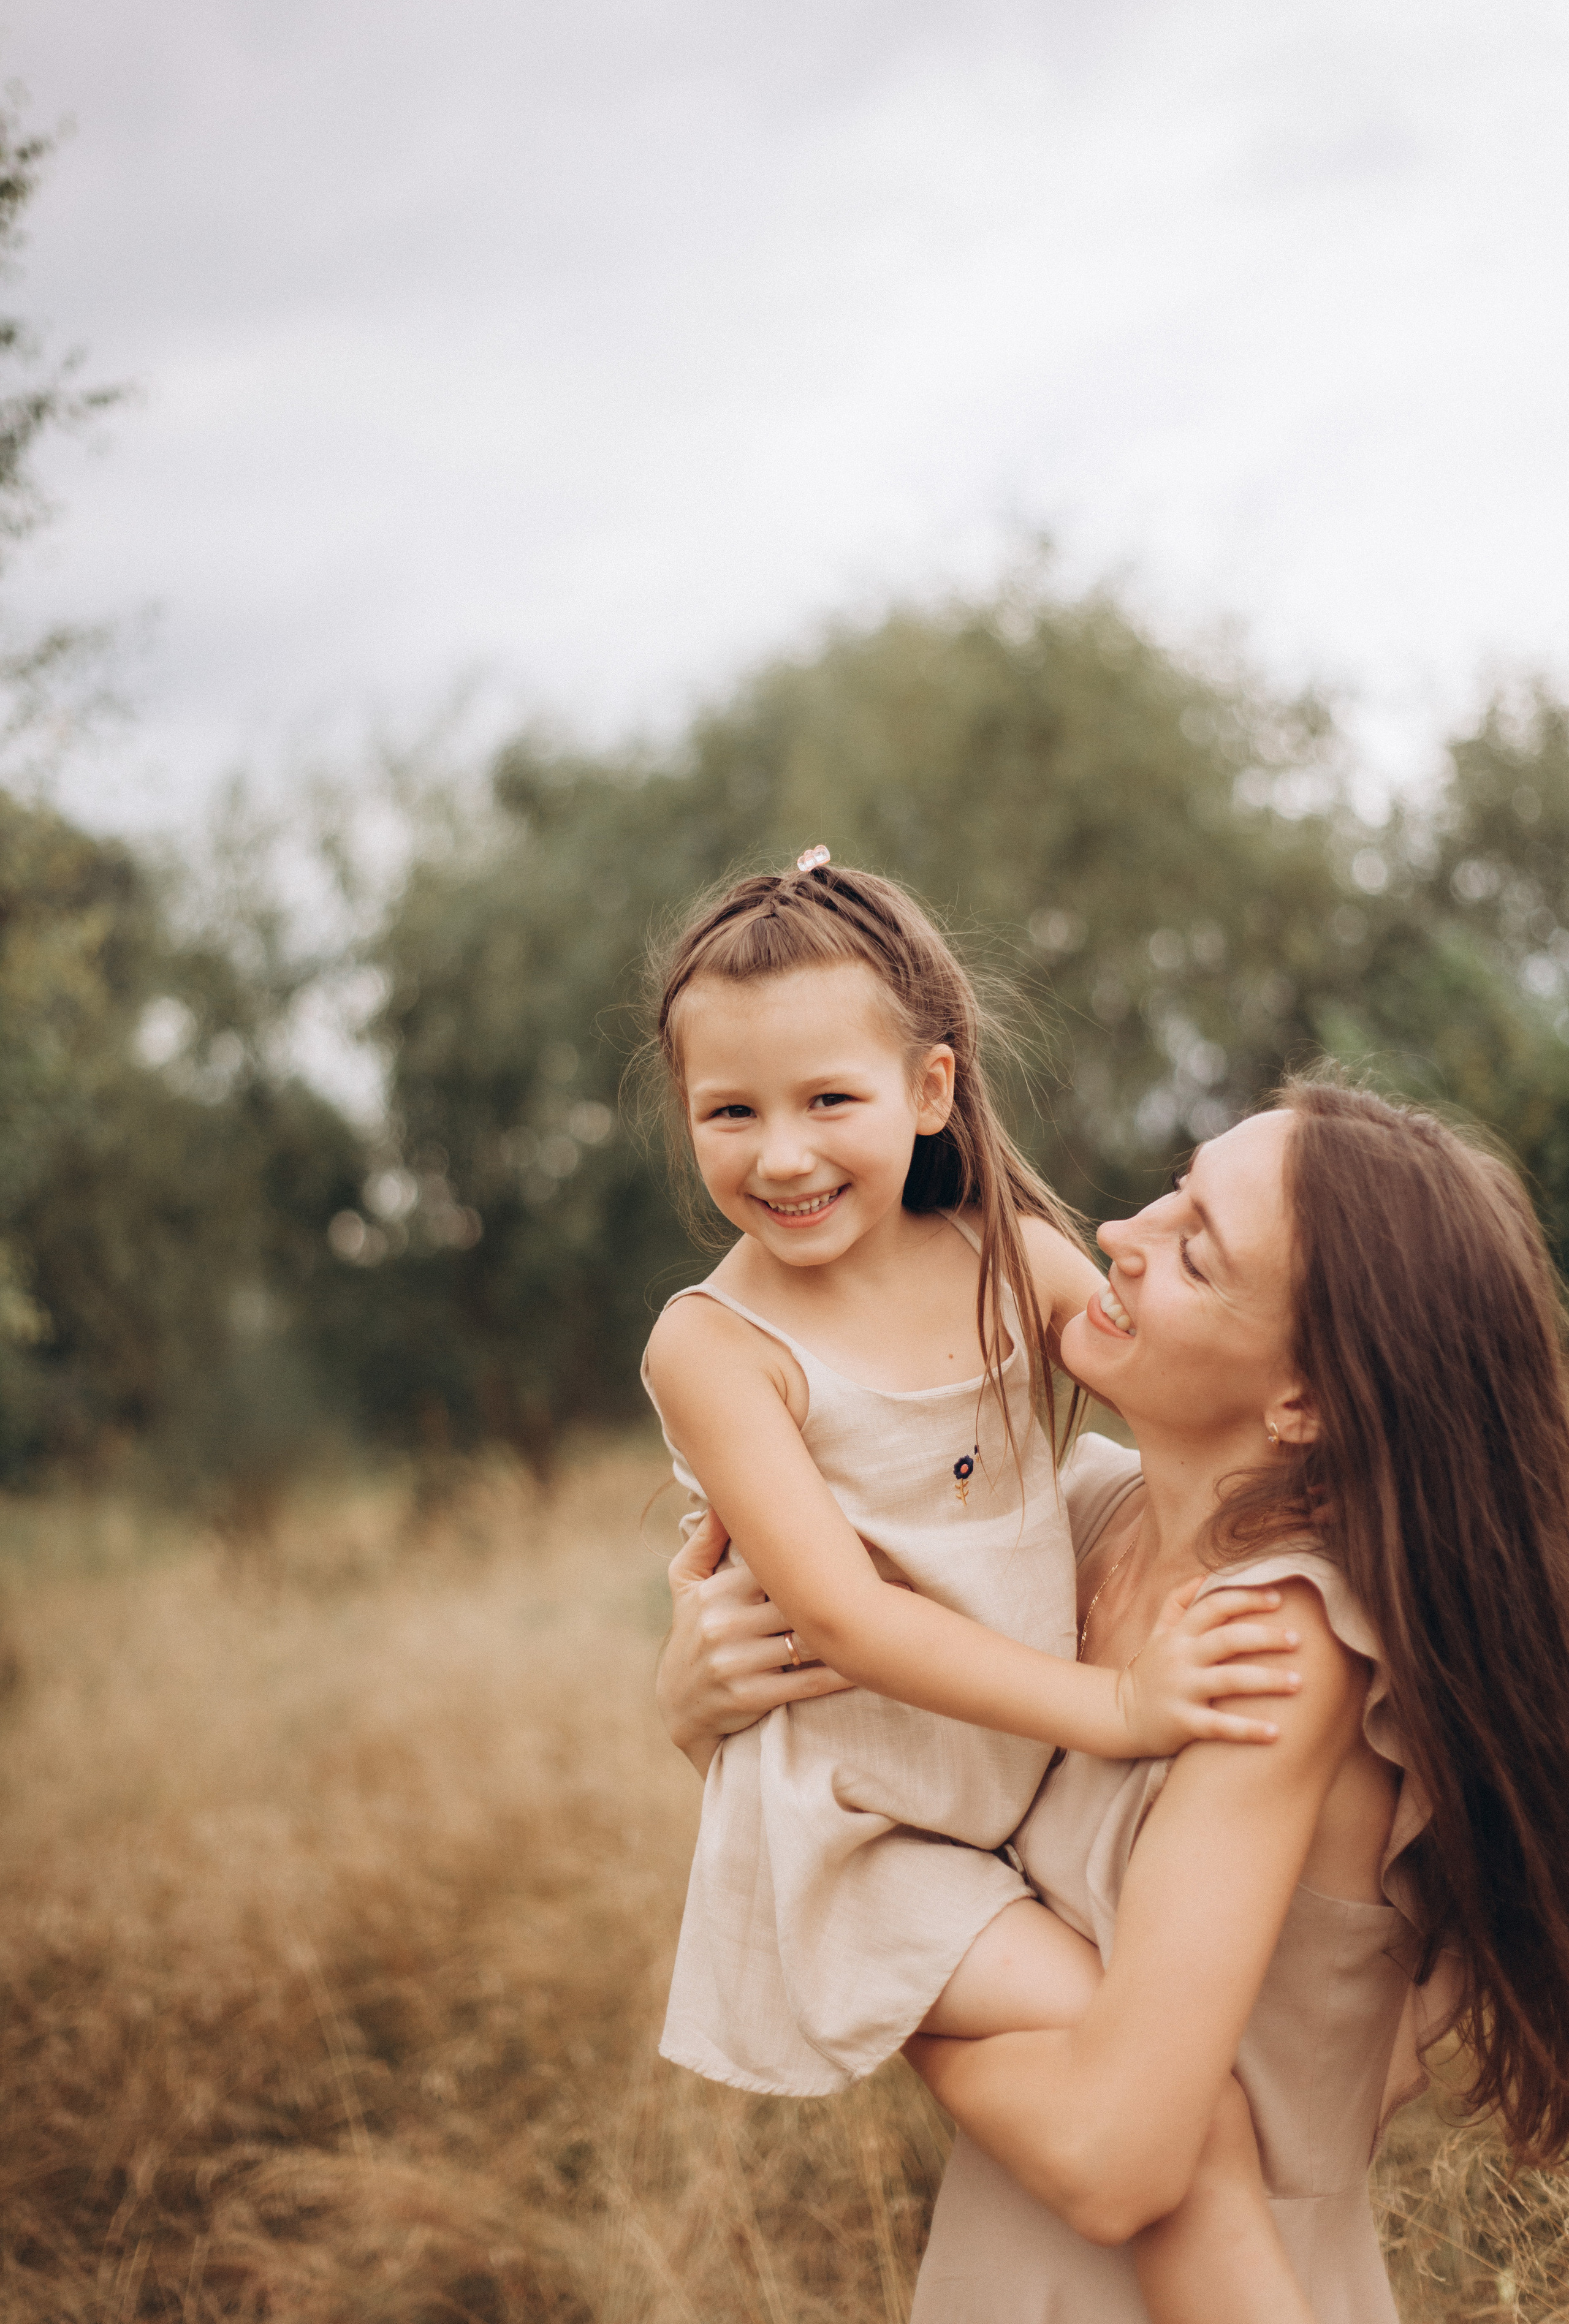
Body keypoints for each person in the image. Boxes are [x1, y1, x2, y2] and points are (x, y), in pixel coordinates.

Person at [659, 1077, 1569, 2319]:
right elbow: (855, 1760)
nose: (1114, 1239)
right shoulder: (1075, 1519)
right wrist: (702, 1700)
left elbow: (1117, 2157)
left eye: (1192, 1253)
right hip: (1002, 2266)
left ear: (1303, 1401)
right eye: (1172, 1192)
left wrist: (885, 1973)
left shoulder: (1278, 1644)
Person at [639, 850, 1312, 2324]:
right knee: (1176, 2120)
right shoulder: (716, 1347)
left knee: (1174, 2115)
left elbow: (1188, 1395)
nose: (782, 1155)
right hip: (869, 1836)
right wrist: (1122, 1704)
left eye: (830, 1100)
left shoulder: (1006, 1255)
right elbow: (839, 1617)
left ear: (930, 1091)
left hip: (1003, 1810)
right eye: (728, 1112)